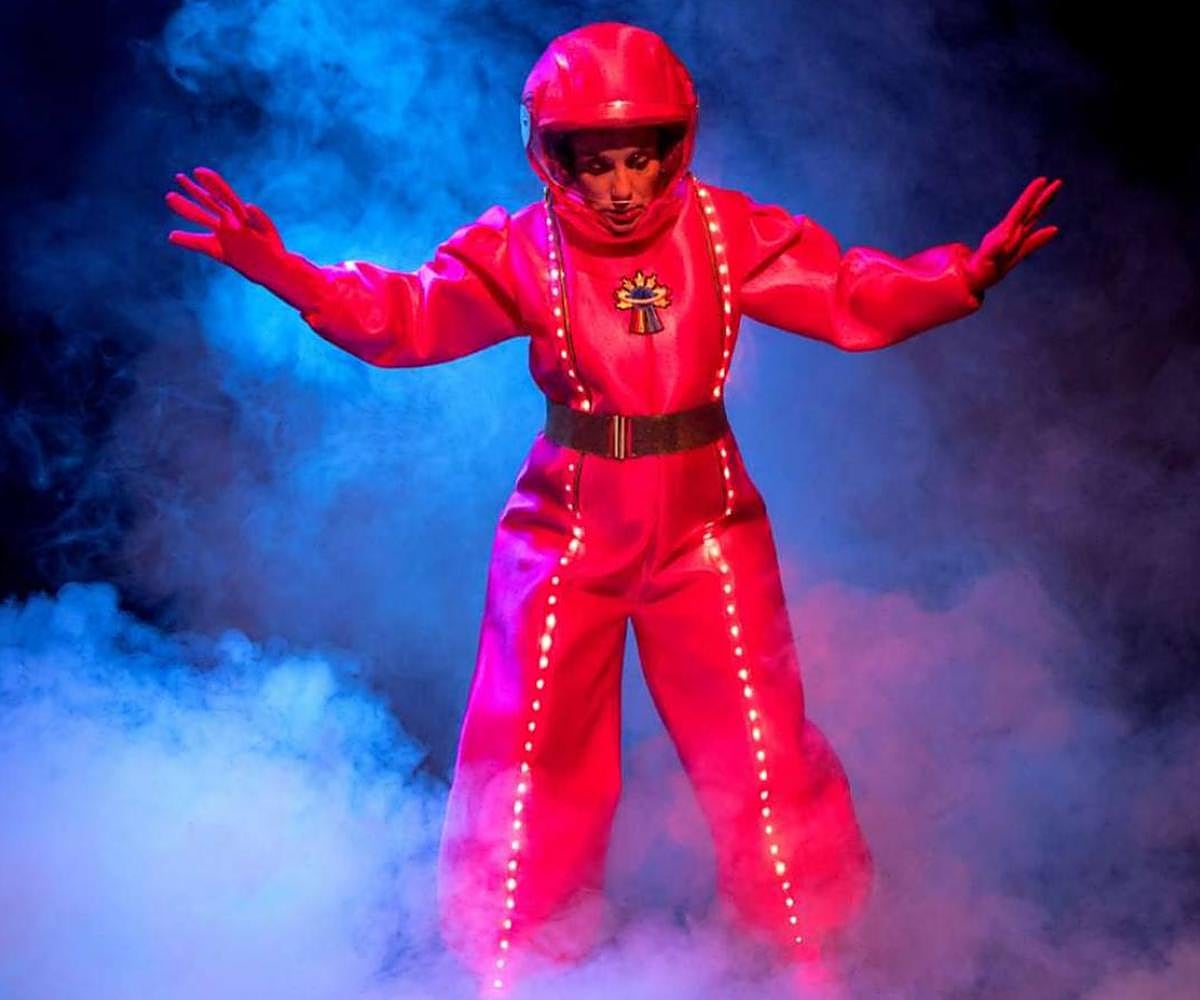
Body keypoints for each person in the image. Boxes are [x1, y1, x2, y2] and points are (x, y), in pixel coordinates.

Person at [165, 21, 1060, 996]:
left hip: (706, 523)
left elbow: (845, 290)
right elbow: (412, 315)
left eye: (639, 158)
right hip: (566, 525)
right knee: (529, 752)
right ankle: (512, 967)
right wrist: (288, 272)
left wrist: (958, 276)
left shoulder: (721, 230)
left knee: (758, 745)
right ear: (554, 158)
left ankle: (809, 956)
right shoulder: (522, 245)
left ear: (674, 147)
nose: (623, 186)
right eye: (597, 164)